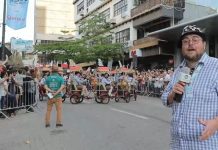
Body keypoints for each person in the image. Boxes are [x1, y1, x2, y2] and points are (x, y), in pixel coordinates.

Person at [161, 25, 218, 149]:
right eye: (185, 41)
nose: (190, 44)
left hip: (207, 145)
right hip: (178, 145)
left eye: (195, 39)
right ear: (182, 47)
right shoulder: (178, 71)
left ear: (204, 44)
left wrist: (216, 122)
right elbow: (165, 98)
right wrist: (172, 95)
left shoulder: (216, 67)